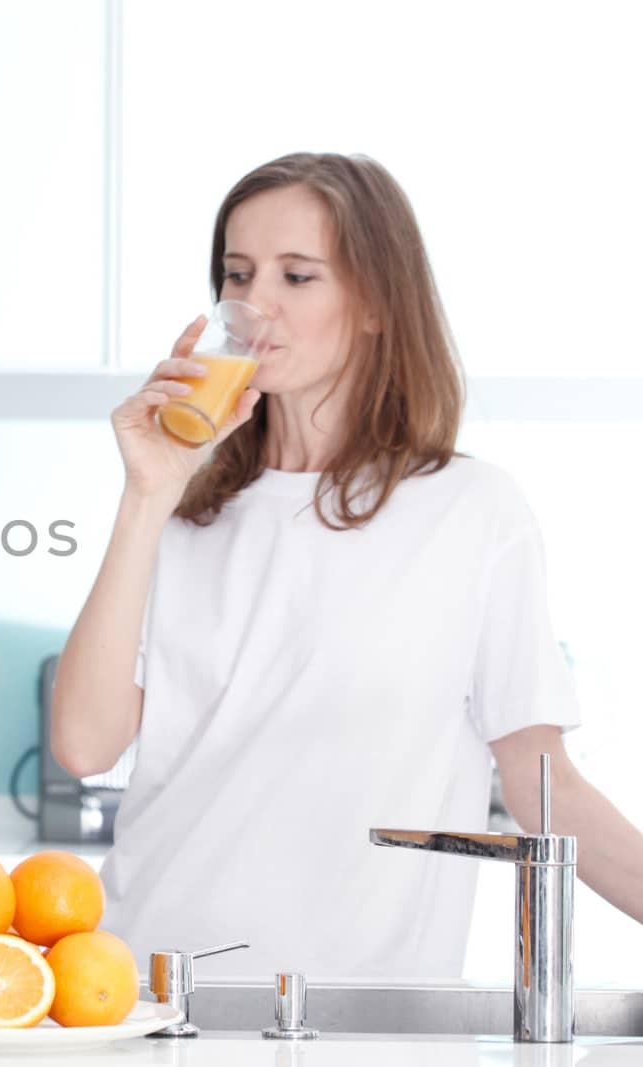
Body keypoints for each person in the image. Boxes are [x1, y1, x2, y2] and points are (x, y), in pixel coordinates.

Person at [51, 152, 643, 978]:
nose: (255, 306)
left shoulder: (472, 512)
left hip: (371, 1019)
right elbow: (83, 744)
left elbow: (548, 787)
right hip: (161, 995)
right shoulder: (183, 511)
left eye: (297, 277)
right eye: (237, 274)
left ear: (372, 303)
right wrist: (147, 494)